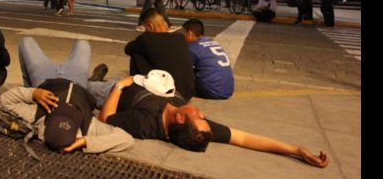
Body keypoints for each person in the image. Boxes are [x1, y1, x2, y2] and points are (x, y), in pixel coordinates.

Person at [97, 74, 329, 167]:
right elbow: (244, 138)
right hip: (150, 79)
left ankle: (96, 80)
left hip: (111, 92)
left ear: (179, 118)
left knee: (82, 56)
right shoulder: (197, 128)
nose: (202, 114)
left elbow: (105, 118)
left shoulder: (145, 123)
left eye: (198, 116)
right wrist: (296, 150)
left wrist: (120, 85)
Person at [0, 37, 133, 155]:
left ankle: (29, 84)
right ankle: (94, 81)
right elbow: (126, 139)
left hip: (45, 78)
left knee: (26, 42)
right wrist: (87, 142)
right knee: (83, 43)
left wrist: (33, 93)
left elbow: (5, 101)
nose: (66, 108)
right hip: (77, 80)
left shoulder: (37, 115)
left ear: (46, 124)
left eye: (58, 113)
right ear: (77, 133)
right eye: (70, 116)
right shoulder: (88, 126)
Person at [125, 8, 195, 100]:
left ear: (150, 26)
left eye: (145, 27)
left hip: (166, 96)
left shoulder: (147, 40)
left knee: (136, 53)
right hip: (186, 94)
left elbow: (128, 49)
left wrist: (146, 34)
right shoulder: (180, 38)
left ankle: (134, 89)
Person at [182, 19, 234, 99]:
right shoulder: (214, 42)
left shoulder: (192, 47)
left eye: (184, 34)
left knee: (182, 77)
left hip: (212, 91)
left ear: (190, 34)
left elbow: (182, 69)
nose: (183, 37)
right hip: (228, 90)